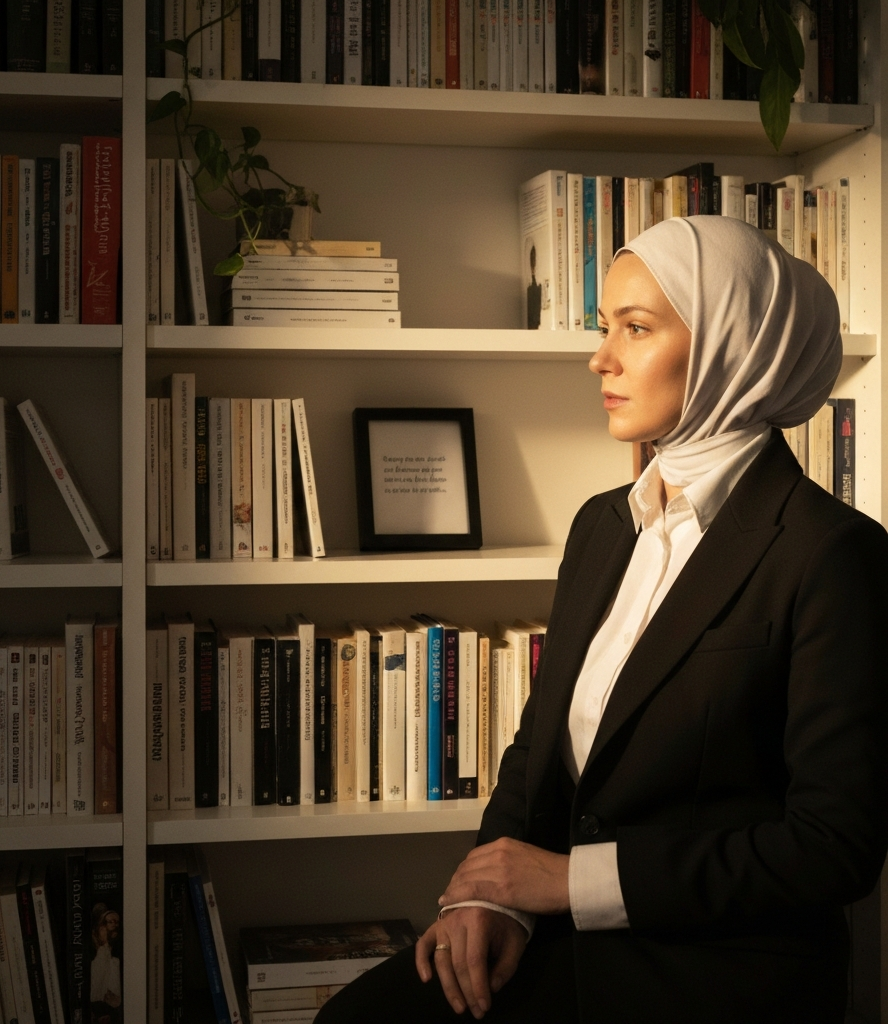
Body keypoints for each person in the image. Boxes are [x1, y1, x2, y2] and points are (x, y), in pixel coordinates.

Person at [315, 216, 888, 1023]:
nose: (601, 358)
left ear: (734, 346)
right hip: (561, 938)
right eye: (603, 326)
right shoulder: (601, 525)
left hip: (712, 973)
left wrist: (568, 882)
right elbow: (537, 745)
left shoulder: (831, 552)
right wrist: (489, 896)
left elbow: (834, 847)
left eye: (637, 328)